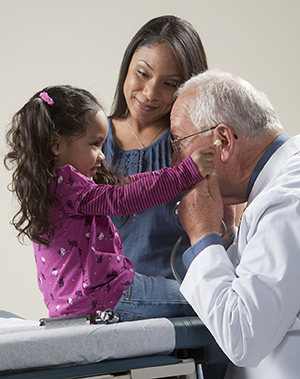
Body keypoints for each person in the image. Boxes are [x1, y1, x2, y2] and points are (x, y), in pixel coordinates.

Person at [4, 85, 215, 321]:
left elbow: (124, 185)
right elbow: (124, 197)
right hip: (105, 297)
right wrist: (186, 173)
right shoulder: (67, 185)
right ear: (56, 144)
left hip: (74, 304)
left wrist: (177, 173)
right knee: (204, 298)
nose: (102, 155)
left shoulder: (49, 186)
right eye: (94, 144)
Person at [170, 69, 300, 378]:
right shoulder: (279, 182)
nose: (174, 165)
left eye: (178, 144)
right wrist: (226, 239)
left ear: (223, 140)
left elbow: (244, 337)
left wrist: (202, 234)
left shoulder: (286, 199)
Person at [103, 15, 208, 280]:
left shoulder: (196, 148)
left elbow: (226, 233)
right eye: (143, 73)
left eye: (170, 84)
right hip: (103, 308)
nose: (150, 93)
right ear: (127, 67)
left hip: (180, 308)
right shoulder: (91, 143)